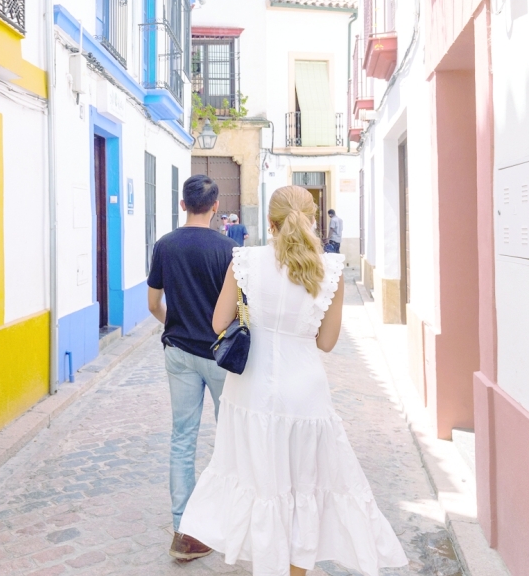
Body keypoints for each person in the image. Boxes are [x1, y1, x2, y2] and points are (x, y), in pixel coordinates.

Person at [177, 186, 408, 576]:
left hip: (250, 390)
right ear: (312, 219)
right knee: (302, 487)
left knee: (260, 482)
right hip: (304, 391)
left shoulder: (244, 261)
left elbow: (218, 323)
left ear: (270, 222)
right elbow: (327, 342)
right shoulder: (330, 269)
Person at [147, 175, 236, 561]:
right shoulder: (229, 249)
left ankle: (183, 529)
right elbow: (239, 308)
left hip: (179, 353)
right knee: (230, 436)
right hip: (219, 356)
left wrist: (175, 325)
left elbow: (154, 304)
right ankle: (227, 520)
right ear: (215, 207)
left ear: (182, 204)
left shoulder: (164, 246)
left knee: (182, 438)